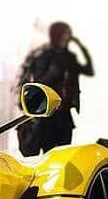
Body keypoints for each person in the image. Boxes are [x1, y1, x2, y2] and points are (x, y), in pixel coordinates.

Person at [14, 21, 94, 156]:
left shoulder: (69, 57)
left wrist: (81, 46)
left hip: (64, 114)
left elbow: (89, 70)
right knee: (49, 154)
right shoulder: (44, 56)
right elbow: (38, 83)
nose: (66, 38)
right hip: (48, 115)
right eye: (64, 34)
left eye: (68, 35)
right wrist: (53, 73)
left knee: (64, 154)